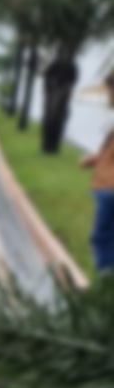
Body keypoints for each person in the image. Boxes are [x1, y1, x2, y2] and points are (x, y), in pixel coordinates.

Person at [79, 74, 114, 275]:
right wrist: (94, 158)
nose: (108, 96)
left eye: (110, 91)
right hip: (107, 186)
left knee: (101, 237)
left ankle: (106, 286)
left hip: (110, 188)